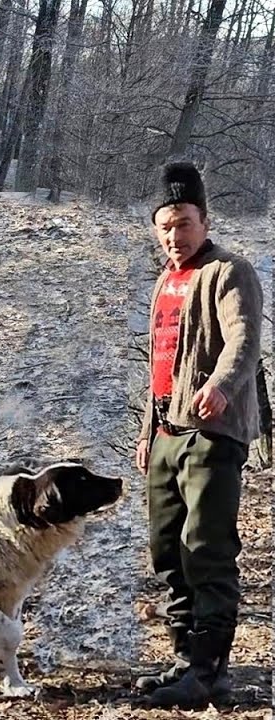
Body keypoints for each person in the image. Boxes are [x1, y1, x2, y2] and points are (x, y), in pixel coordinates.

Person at [133, 162, 263, 707]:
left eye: (184, 223)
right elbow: (160, 365)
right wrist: (148, 429)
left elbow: (243, 339)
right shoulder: (166, 281)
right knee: (168, 552)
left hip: (212, 432)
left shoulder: (230, 271)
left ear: (205, 221)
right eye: (165, 226)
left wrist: (222, 385)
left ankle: (209, 671)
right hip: (167, 433)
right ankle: (185, 658)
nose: (174, 235)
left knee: (206, 550)